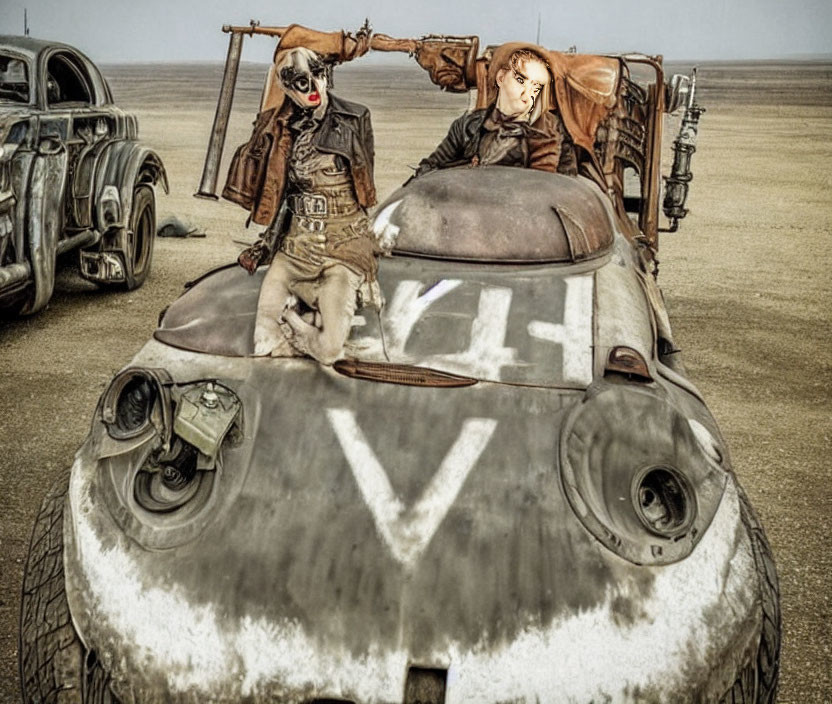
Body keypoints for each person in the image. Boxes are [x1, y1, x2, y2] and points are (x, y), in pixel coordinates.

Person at [231, 46, 380, 364]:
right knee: (264, 343)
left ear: (326, 76)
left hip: (342, 248)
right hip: (296, 249)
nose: (312, 87)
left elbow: (365, 184)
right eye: (299, 81)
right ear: (286, 87)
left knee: (328, 350)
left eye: (317, 75)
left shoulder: (356, 117)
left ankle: (299, 324)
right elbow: (273, 190)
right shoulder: (277, 128)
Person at [413, 44, 578, 178]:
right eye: (520, 80)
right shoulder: (469, 127)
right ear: (501, 78)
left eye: (536, 87)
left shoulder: (553, 132)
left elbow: (564, 189)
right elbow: (432, 166)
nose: (526, 94)